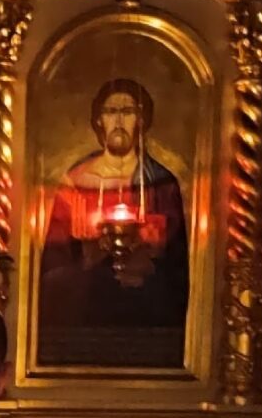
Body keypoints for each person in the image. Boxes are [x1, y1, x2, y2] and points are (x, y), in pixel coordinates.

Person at [37, 77, 188, 367]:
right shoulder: (76, 181)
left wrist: (149, 267)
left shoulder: (161, 182)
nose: (119, 121)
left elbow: (178, 263)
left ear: (141, 120)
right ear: (99, 121)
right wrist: (87, 260)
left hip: (147, 320)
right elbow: (54, 259)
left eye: (128, 111)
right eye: (110, 111)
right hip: (85, 315)